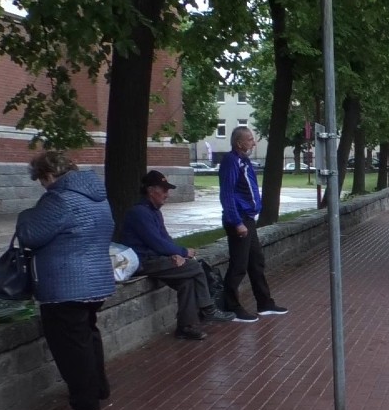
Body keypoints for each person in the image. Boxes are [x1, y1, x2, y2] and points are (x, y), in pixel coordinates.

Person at [15, 151, 114, 410]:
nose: (42, 185)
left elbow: (29, 235)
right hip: (96, 279)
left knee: (70, 346)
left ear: (48, 174)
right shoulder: (97, 196)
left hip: (65, 284)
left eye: (41, 180)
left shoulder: (58, 198)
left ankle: (84, 401)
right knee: (88, 334)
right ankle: (98, 387)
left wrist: (26, 214)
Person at [120, 170, 236, 340]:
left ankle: (186, 327)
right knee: (195, 266)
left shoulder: (154, 212)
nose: (167, 194)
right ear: (151, 190)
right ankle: (208, 309)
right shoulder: (139, 213)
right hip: (143, 262)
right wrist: (183, 252)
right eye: (164, 190)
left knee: (186, 281)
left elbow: (165, 239)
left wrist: (176, 253)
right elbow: (156, 243)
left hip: (156, 259)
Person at [219, 126, 288, 322]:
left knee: (256, 262)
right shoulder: (231, 162)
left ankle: (265, 303)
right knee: (239, 265)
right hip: (239, 221)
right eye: (249, 139)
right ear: (239, 143)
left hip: (248, 220)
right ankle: (230, 307)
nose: (253, 142)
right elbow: (227, 194)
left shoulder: (245, 162)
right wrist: (236, 222)